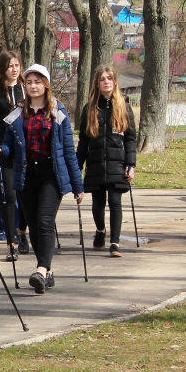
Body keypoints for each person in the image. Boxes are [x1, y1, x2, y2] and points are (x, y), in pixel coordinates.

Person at [0, 64, 84, 294]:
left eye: (37, 81)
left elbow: (68, 151)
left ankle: (41, 269)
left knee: (45, 221)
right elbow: (9, 145)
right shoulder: (17, 112)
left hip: (51, 175)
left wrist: (78, 185)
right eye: (29, 82)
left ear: (46, 84)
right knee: (35, 225)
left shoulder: (58, 112)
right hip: (26, 176)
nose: (33, 86)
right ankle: (47, 273)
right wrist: (2, 152)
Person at [76, 65, 137, 258]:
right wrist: (77, 168)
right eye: (102, 79)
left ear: (115, 81)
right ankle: (101, 231)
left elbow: (130, 138)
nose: (106, 82)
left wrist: (131, 164)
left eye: (109, 78)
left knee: (115, 201)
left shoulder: (124, 107)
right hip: (95, 163)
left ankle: (115, 242)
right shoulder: (89, 109)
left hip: (117, 163)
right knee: (98, 203)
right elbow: (84, 141)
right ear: (97, 83)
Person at [0, 51, 28, 261]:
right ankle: (12, 243)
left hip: (26, 151)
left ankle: (23, 232)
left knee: (25, 196)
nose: (14, 69)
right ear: (3, 68)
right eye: (10, 66)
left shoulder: (27, 90)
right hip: (4, 151)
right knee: (8, 197)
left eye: (17, 65)